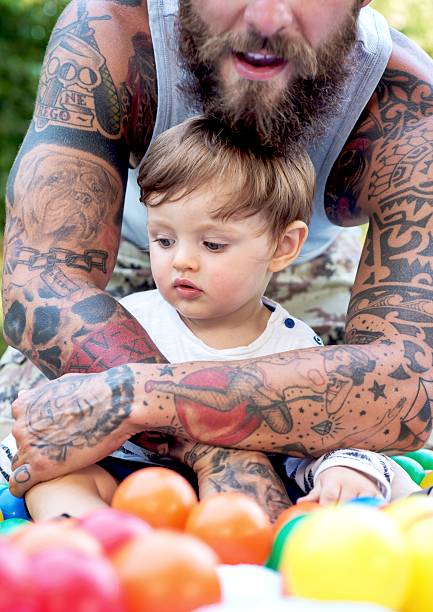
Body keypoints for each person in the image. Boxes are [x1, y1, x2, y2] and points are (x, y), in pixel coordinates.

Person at [3, 0, 433, 496]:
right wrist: (220, 450)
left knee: (364, 472)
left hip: (301, 267)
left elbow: (407, 383)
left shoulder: (407, 107)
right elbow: (41, 283)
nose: (267, 20)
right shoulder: (110, 31)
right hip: (116, 278)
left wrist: (133, 397)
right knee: (28, 444)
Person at [1, 117, 396, 519]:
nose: (182, 261)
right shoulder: (127, 323)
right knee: (59, 482)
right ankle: (94, 543)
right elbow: (70, 411)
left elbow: (319, 436)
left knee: (346, 489)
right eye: (164, 240)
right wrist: (21, 453)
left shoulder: (294, 350)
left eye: (212, 244)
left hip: (234, 502)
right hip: (126, 483)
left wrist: (343, 469)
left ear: (283, 245)